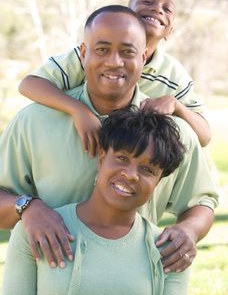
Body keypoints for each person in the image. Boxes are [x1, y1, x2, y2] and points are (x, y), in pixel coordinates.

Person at [0, 5, 218, 275]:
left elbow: (202, 201)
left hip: (134, 282)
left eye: (127, 52)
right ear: (83, 53)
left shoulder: (174, 133)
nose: (114, 62)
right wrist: (28, 208)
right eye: (102, 49)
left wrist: (189, 230)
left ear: (144, 56)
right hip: (49, 282)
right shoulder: (33, 122)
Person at [3, 107, 189, 295]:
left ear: (158, 182)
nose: (131, 174)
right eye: (122, 158)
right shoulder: (36, 230)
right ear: (101, 159)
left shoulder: (170, 251)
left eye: (148, 169)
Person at [18, 0, 211, 157]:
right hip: (75, 146)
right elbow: (29, 85)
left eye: (167, 9)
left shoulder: (173, 75)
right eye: (147, 1)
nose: (157, 9)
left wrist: (176, 105)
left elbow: (204, 136)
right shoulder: (91, 56)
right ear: (127, 15)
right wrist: (78, 110)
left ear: (170, 31)